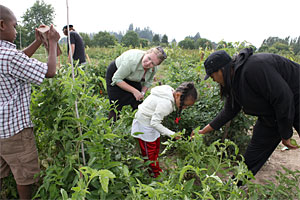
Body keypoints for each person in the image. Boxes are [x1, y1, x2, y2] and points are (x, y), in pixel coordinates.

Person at [191, 48, 300, 184]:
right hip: (272, 113)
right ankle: (231, 189)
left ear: (220, 70)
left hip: (295, 96)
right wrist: (203, 131)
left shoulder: (253, 69)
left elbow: (284, 98)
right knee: (251, 158)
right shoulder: (234, 81)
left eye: (212, 76)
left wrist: (286, 134)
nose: (213, 80)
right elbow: (228, 111)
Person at [0, 5, 60, 199]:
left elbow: (18, 62)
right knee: (25, 177)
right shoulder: (9, 56)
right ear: (2, 25)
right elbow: (50, 71)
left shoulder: (7, 57)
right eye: (14, 26)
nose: (16, 31)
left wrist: (36, 43)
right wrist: (52, 42)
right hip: (14, 132)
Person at [131, 82, 198, 177]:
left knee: (155, 147)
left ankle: (155, 168)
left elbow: (155, 121)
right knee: (149, 151)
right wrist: (172, 134)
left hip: (152, 121)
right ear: (178, 95)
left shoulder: (170, 91)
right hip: (144, 124)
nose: (185, 108)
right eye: (184, 105)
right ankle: (154, 174)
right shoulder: (166, 104)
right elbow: (155, 123)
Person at [106, 46, 167, 121]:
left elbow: (148, 82)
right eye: (149, 58)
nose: (148, 63)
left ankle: (136, 126)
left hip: (133, 78)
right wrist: (134, 91)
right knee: (116, 105)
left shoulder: (154, 68)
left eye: (152, 63)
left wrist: (142, 93)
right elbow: (116, 79)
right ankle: (110, 128)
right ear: (146, 53)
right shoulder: (131, 61)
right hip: (117, 74)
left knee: (138, 103)